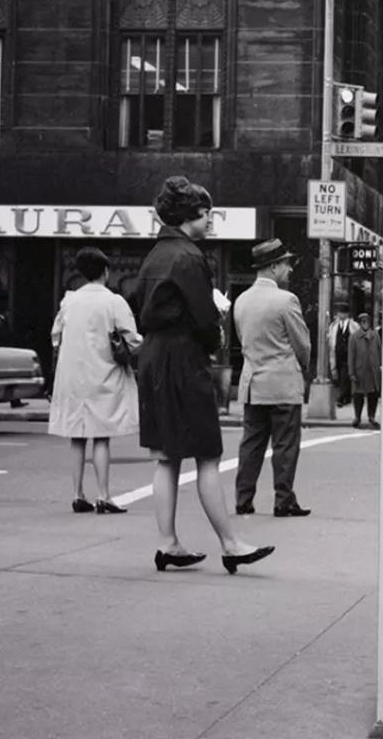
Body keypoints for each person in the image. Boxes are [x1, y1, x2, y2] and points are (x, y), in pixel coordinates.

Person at [129, 176, 273, 574]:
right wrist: (217, 330)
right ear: (192, 214)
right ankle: (230, 543)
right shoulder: (191, 258)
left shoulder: (155, 255)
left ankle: (168, 543)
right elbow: (204, 320)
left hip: (154, 357)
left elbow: (140, 304)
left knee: (166, 456)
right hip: (182, 358)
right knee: (208, 454)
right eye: (207, 211)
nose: (211, 218)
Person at [48, 248, 141, 514]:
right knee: (101, 436)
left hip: (72, 377)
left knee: (77, 437)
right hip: (104, 375)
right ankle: (104, 495)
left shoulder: (69, 301)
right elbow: (132, 340)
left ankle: (78, 494)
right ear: (106, 271)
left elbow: (55, 337)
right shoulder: (114, 302)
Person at [232, 239, 312, 518]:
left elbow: (243, 339)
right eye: (286, 263)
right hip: (282, 383)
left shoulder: (241, 301)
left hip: (253, 384)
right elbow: (302, 344)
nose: (289, 269)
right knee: (285, 446)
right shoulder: (286, 300)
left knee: (251, 444)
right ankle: (283, 500)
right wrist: (303, 369)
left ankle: (243, 499)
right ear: (274, 266)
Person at [0, 303, 29, 409]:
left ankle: (14, 401)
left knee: (7, 379)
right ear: (5, 312)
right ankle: (12, 401)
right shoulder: (0, 323)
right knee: (7, 379)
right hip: (1, 355)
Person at [348, 312, 382, 429]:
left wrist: (381, 367)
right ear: (359, 323)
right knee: (358, 395)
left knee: (373, 395)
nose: (365, 324)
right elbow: (351, 355)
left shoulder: (375, 336)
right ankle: (357, 416)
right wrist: (351, 372)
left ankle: (371, 416)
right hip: (360, 371)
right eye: (362, 321)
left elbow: (380, 351)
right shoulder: (354, 337)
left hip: (373, 371)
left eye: (367, 321)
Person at [327, 303, 358, 408]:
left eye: (343, 313)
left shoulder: (353, 325)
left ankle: (340, 398)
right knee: (341, 376)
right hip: (337, 355)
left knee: (345, 375)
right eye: (339, 312)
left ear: (347, 314)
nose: (340, 315)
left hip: (348, 355)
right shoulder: (334, 326)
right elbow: (331, 340)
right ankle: (347, 397)